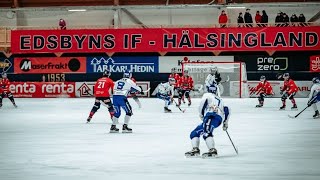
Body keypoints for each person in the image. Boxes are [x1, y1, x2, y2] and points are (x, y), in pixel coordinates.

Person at [185, 83, 230, 158]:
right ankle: (195, 149)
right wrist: (225, 122)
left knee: (207, 132)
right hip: (217, 119)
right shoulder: (219, 99)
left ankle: (212, 150)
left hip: (210, 116)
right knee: (194, 133)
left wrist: (201, 115)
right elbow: (227, 109)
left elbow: (202, 105)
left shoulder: (207, 95)